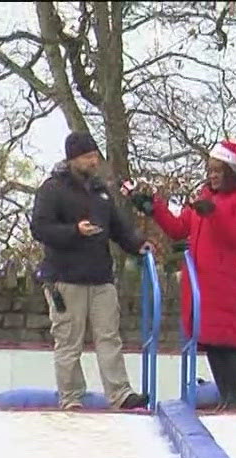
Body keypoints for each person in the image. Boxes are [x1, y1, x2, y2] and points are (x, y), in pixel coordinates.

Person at [132, 139, 236, 411]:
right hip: (199, 281)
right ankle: (227, 399)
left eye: (218, 171)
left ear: (230, 173)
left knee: (227, 338)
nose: (212, 175)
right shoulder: (204, 197)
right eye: (210, 170)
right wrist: (154, 208)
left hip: (223, 280)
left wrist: (213, 215)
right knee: (211, 339)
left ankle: (234, 398)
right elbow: (179, 228)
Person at [29, 131, 151, 410]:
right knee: (68, 341)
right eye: (88, 157)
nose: (94, 162)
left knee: (109, 337)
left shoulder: (101, 192)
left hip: (100, 277)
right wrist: (75, 231)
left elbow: (118, 229)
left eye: (95, 156)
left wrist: (138, 245)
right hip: (65, 277)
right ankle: (71, 397)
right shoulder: (52, 189)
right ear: (73, 159)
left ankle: (121, 394)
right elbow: (40, 227)